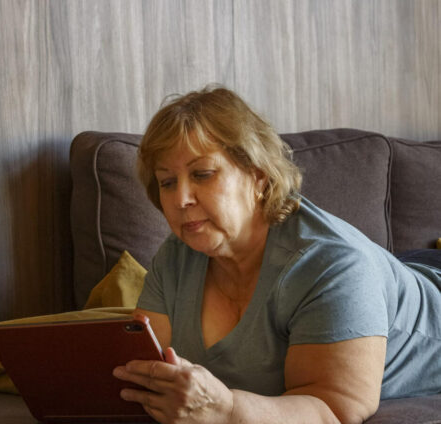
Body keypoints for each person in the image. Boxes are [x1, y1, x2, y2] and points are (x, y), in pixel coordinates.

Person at [112, 85, 441, 423]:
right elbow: (141, 375)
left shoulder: (333, 265)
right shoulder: (175, 259)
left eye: (202, 174)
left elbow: (335, 409)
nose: (181, 198)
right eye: (167, 182)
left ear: (259, 178)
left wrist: (226, 411)